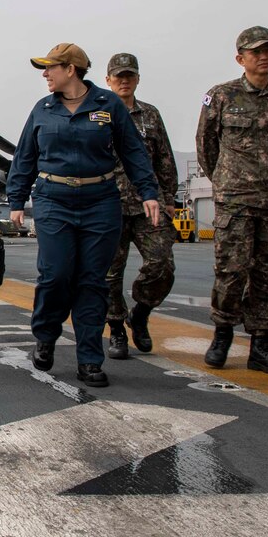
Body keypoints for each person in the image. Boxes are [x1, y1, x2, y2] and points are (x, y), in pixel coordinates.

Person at [7, 44, 159, 388]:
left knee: (93, 281)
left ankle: (90, 359)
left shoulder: (109, 105)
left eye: (50, 68)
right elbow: (25, 157)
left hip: (100, 202)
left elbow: (133, 151)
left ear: (71, 69)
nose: (45, 74)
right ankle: (46, 335)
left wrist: (148, 192)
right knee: (56, 275)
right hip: (53, 200)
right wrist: (16, 199)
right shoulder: (43, 109)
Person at [196, 26, 268, 375]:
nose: (264, 56)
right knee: (231, 272)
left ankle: (262, 345)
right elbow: (206, 146)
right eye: (256, 51)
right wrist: (226, 183)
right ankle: (222, 334)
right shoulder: (221, 96)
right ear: (240, 58)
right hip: (235, 201)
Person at [102, 54, 178, 359]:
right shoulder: (97, 114)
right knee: (109, 273)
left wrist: (169, 197)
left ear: (137, 79)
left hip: (149, 204)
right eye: (118, 76)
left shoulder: (150, 115)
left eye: (129, 76)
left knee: (162, 264)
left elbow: (164, 158)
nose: (124, 81)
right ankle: (117, 328)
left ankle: (141, 312)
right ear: (107, 80)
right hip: (109, 204)